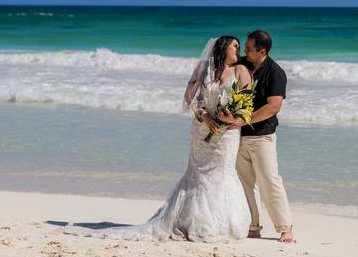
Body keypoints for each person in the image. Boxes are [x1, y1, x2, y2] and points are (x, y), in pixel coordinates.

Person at [66, 36, 253, 241]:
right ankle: (193, 220)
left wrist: (230, 118)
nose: (239, 49)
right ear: (223, 47)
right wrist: (204, 115)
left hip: (227, 135)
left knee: (222, 171)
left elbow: (246, 105)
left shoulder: (241, 71)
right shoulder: (204, 67)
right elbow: (189, 97)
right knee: (198, 173)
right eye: (235, 45)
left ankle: (226, 224)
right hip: (201, 130)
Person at [219, 29, 294, 243]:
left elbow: (273, 106)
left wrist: (244, 119)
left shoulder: (275, 72)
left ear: (262, 51)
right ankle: (253, 226)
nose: (245, 52)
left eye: (250, 49)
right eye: (244, 48)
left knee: (270, 180)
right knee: (245, 183)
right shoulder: (244, 64)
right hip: (237, 136)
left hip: (262, 137)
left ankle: (285, 228)